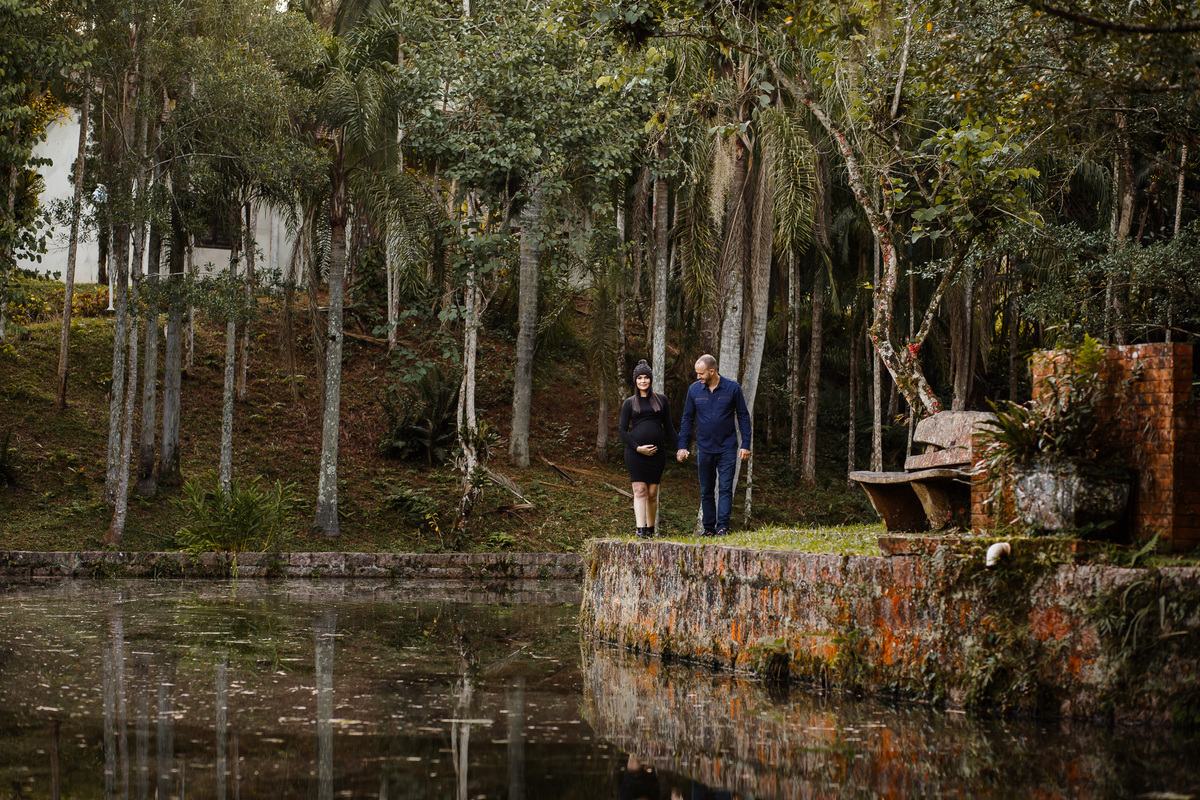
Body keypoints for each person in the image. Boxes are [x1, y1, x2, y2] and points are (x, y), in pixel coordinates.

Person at [675, 354, 751, 537]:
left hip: (727, 447)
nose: (698, 377)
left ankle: (723, 528)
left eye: (701, 373)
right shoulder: (694, 390)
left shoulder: (732, 388)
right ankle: (708, 529)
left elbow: (743, 416)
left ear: (712, 371)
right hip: (705, 448)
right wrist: (682, 446)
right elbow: (687, 418)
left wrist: (746, 444)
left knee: (725, 488)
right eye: (697, 373)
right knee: (706, 490)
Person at [618, 360, 677, 539]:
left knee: (652, 493)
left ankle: (651, 530)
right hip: (635, 454)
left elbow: (669, 427)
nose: (643, 381)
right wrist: (637, 448)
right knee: (640, 491)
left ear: (650, 379)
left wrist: (680, 447)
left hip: (657, 455)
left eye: (646, 377)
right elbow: (622, 430)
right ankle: (640, 530)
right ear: (635, 380)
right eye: (639, 378)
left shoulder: (661, 400)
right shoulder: (629, 403)